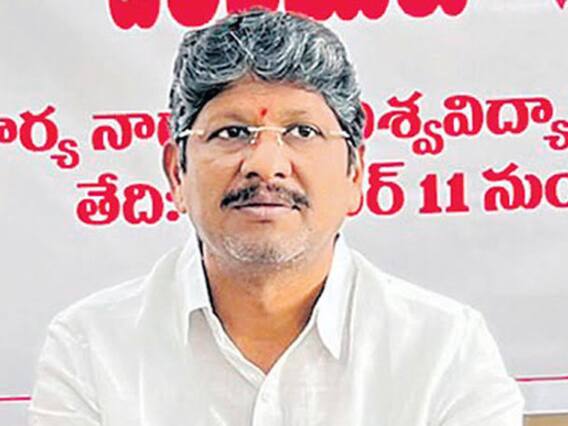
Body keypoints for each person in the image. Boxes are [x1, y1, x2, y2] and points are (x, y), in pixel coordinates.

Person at [29, 8, 524, 426]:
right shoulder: (91, 347)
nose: (265, 165)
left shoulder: (445, 350)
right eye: (230, 132)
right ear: (177, 172)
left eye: (302, 132)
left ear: (355, 174)